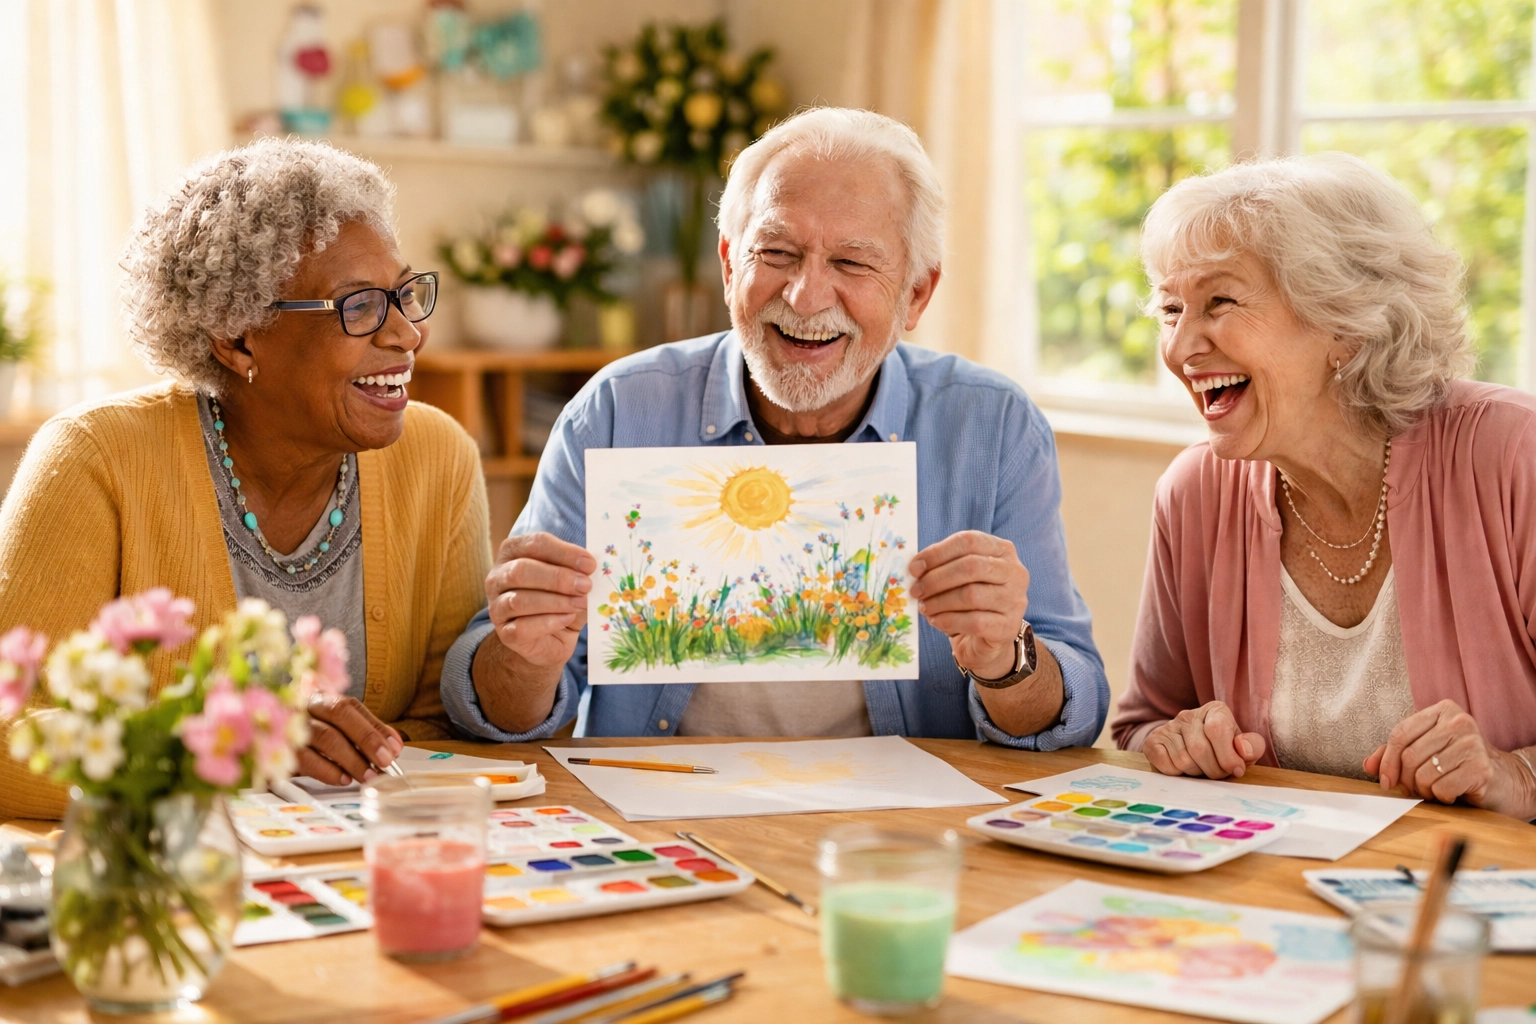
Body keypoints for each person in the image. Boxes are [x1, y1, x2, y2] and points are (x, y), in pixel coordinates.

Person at [441, 107, 1108, 747]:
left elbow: (1070, 711)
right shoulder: (616, 411)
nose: (806, 295)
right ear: (731, 265)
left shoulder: (993, 427)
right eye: (779, 252)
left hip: (901, 835)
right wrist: (525, 657)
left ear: (917, 294)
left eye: (851, 263)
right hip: (663, 806)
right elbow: (496, 712)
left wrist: (1007, 657)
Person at [0, 138, 492, 819]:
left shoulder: (438, 455)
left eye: (405, 294)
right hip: (168, 879)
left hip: (345, 862)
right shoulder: (92, 459)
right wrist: (229, 752)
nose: (407, 334)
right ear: (237, 339)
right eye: (358, 307)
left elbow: (445, 727)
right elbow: (11, 738)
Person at [1113, 154, 1536, 820]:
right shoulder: (1195, 493)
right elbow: (1142, 724)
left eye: (1219, 302)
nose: (1182, 346)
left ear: (1341, 324)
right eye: (1171, 309)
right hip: (1276, 887)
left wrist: (1516, 775)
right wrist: (1178, 740)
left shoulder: (1513, 456)